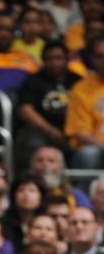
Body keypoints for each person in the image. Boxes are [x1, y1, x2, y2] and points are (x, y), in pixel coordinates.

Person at [16, 41, 81, 169]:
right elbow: (25, 110)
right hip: (41, 130)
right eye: (49, 59)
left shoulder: (77, 80)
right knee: (31, 141)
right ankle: (32, 182)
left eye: (59, 58)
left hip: (72, 130)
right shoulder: (33, 80)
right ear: (43, 60)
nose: (54, 63)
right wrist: (51, 131)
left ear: (67, 59)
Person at [65, 35, 104, 171]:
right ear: (92, 59)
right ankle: (83, 193)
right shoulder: (81, 89)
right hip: (98, 150)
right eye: (100, 56)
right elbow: (81, 134)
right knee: (88, 154)